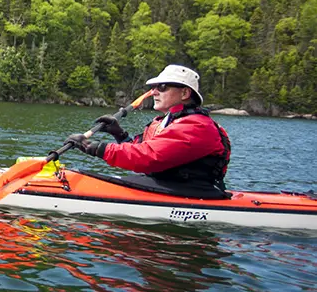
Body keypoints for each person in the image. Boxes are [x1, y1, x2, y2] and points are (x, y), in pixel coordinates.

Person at [65, 64, 231, 199]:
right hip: (165, 185)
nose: (154, 92)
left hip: (194, 191)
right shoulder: (163, 122)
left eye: (163, 87)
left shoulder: (197, 126)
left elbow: (148, 158)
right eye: (154, 87)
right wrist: (120, 134)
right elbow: (142, 149)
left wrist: (94, 148)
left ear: (185, 93)